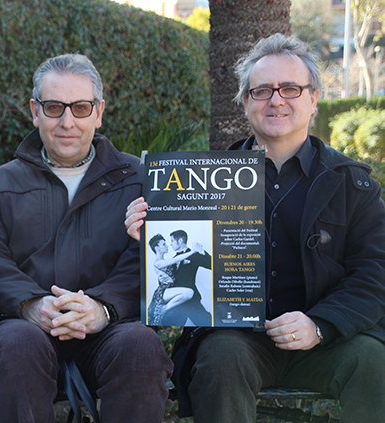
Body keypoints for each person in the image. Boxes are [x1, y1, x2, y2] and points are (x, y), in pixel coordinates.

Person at [124, 33, 385, 423]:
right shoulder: (200, 180)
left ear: (313, 99)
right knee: (220, 359)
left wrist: (320, 324)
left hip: (327, 340)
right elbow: (174, 263)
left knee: (376, 364)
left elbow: (375, 272)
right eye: (261, 91)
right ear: (245, 102)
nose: (276, 100)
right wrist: (147, 231)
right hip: (240, 341)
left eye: (291, 88)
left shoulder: (352, 183)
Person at [0, 53, 173, 422]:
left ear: (99, 112)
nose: (67, 122)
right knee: (16, 345)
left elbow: (147, 258)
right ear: (35, 111)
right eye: (53, 108)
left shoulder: (140, 180)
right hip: (22, 324)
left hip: (112, 327)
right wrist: (32, 304)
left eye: (80, 108)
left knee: (141, 346)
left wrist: (103, 308)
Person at [147, 234, 199, 325]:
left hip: (170, 290)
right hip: (163, 291)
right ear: (157, 248)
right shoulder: (157, 263)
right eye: (164, 244)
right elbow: (175, 260)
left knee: (189, 294)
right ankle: (164, 308)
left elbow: (176, 263)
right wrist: (194, 251)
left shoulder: (165, 261)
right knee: (189, 292)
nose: (167, 246)